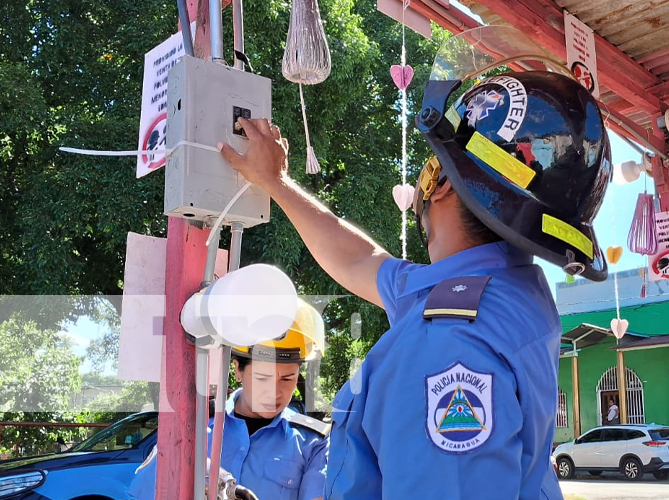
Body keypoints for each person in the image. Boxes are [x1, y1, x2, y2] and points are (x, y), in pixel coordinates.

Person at [218, 28, 611, 500]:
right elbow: (361, 258)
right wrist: (277, 183)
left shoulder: (447, 343)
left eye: (431, 165)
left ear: (442, 183)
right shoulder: (505, 286)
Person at [127, 299, 329, 500]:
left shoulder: (312, 442)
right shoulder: (194, 425)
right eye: (262, 378)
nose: (275, 391)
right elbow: (146, 490)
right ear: (237, 370)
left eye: (287, 379)